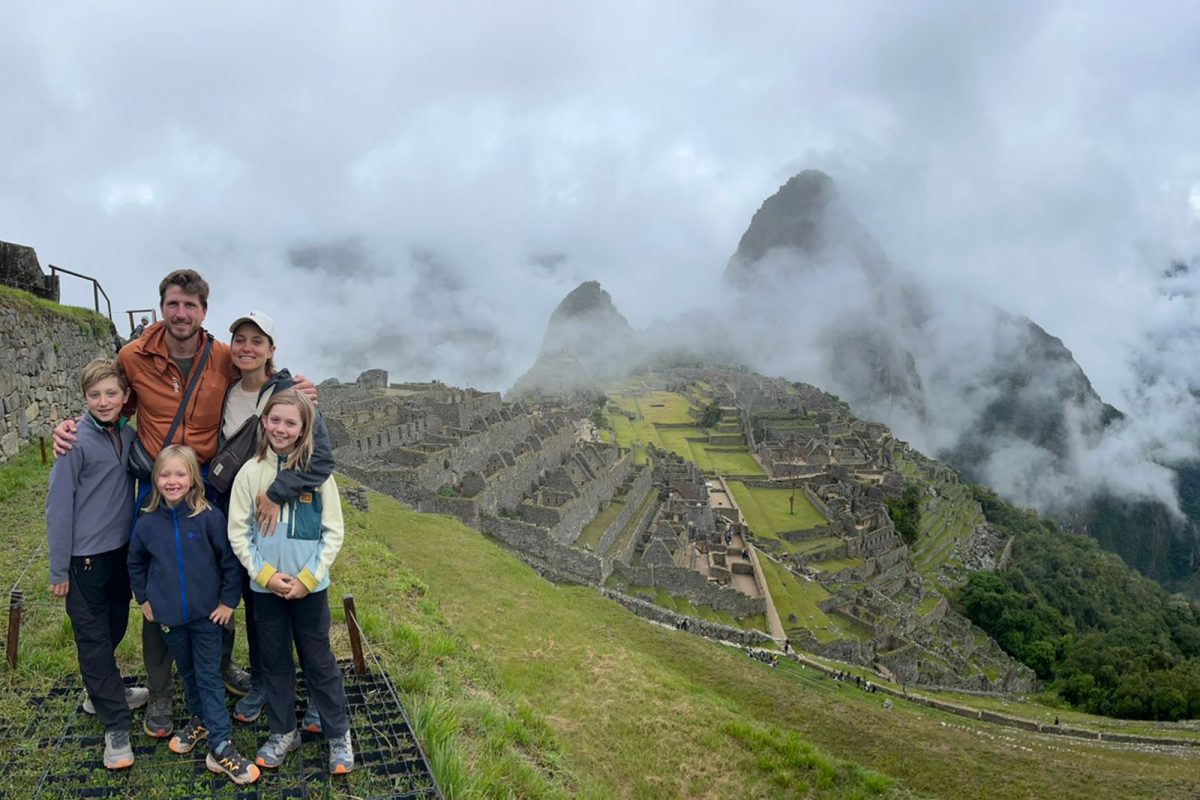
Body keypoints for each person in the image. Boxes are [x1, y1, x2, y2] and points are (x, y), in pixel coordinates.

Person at [52, 269, 320, 736]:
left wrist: (295, 388)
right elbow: (110, 404)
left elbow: (258, 371)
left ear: (204, 312)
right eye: (174, 304)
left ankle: (218, 668)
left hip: (210, 486)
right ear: (162, 306)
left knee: (217, 575)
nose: (181, 314)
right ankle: (160, 691)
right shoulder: (133, 357)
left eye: (191, 306)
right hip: (158, 487)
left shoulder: (221, 356)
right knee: (159, 584)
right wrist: (70, 429)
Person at [216, 310, 334, 726]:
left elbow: (322, 459)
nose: (247, 348)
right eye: (240, 339)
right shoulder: (227, 393)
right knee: (258, 603)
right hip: (245, 519)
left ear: (271, 349)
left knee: (308, 615)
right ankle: (266, 681)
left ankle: (319, 696)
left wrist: (275, 493)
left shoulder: (290, 394)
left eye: (257, 340)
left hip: (292, 519)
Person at [228, 391, 353, 775]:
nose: (281, 428)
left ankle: (338, 732)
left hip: (309, 590)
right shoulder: (250, 473)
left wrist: (308, 578)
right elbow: (239, 532)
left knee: (319, 660)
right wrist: (264, 575)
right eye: (275, 420)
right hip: (267, 590)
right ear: (264, 422)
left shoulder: (319, 478)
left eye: (291, 423)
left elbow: (333, 532)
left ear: (303, 430)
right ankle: (283, 731)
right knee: (275, 661)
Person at [127, 445, 259, 786]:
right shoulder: (147, 522)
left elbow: (230, 563)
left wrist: (228, 602)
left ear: (193, 479)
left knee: (209, 677)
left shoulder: (209, 517)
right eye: (165, 474)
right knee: (187, 673)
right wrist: (143, 598)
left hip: (206, 618)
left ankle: (220, 745)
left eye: (180, 474)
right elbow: (136, 562)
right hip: (169, 619)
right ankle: (199, 718)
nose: (172, 481)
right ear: (155, 479)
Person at [45, 359, 148, 770]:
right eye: (94, 395)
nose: (103, 402)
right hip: (83, 559)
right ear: (84, 399)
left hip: (120, 552)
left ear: (125, 398)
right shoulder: (74, 442)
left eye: (111, 393)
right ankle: (116, 727)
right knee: (92, 641)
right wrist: (58, 569)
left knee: (114, 627)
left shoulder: (127, 434)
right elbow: (58, 506)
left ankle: (100, 692)